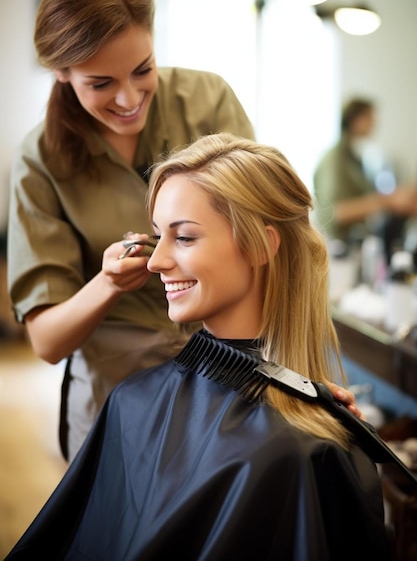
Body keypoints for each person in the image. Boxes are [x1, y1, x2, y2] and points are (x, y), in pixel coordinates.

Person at [7, 0, 357, 463]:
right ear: (62, 73)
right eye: (100, 84)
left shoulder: (206, 101)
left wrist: (299, 375)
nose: (128, 98)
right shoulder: (40, 161)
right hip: (118, 392)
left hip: (231, 375)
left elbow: (275, 242)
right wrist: (107, 283)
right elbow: (47, 340)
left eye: (142, 70)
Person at [5, 133, 391, 561]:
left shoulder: (303, 450)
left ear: (263, 244)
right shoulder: (129, 405)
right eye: (157, 236)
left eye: (184, 237)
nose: (155, 261)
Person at [313, 97, 417, 253]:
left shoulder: (353, 158)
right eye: (370, 118)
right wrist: (387, 201)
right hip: (337, 251)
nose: (374, 124)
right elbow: (336, 212)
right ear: (355, 120)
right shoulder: (335, 160)